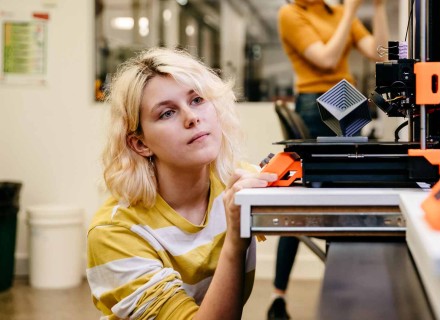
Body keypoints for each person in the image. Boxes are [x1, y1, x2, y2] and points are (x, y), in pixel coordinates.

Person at [86, 47, 277, 320]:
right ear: (140, 144)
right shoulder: (113, 233)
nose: (192, 117)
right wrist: (235, 241)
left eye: (197, 100)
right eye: (167, 113)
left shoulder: (235, 184)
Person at [269, 1, 389, 319]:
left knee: (350, 190)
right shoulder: (291, 13)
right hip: (317, 102)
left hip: (346, 98)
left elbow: (381, 54)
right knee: (307, 194)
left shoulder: (335, 12)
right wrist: (350, 11)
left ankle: (344, 281)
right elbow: (326, 58)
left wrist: (378, 9)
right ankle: (279, 295)